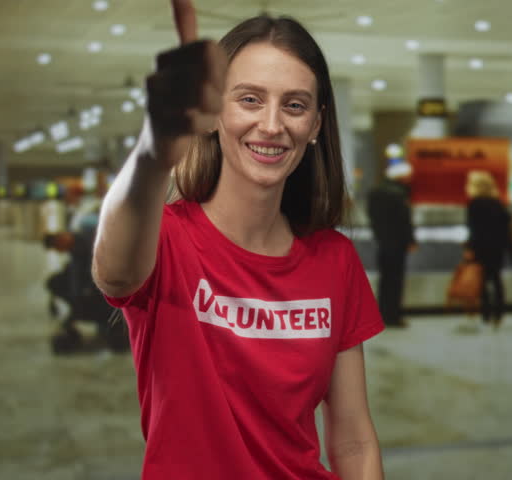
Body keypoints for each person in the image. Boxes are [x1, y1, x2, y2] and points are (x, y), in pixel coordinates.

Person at [91, 1, 385, 478]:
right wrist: (154, 148)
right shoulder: (167, 239)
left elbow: (353, 439)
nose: (271, 125)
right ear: (215, 110)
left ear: (314, 124)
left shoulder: (335, 259)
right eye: (249, 99)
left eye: (294, 105)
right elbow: (114, 272)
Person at [367, 148, 416, 327]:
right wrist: (410, 240)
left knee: (385, 279)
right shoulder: (399, 194)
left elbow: (372, 217)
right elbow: (404, 220)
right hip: (398, 244)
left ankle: (382, 314)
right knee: (396, 280)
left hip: (383, 242)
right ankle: (393, 316)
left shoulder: (375, 192)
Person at [464, 170, 512, 329]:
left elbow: (474, 229)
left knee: (483, 280)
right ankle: (498, 314)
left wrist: (470, 247)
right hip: (497, 247)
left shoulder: (474, 204)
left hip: (481, 247)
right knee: (497, 279)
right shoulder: (498, 204)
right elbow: (506, 226)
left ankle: (486, 313)